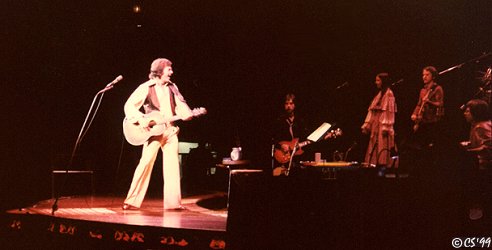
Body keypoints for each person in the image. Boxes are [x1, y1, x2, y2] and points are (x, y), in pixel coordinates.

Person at [122, 58, 194, 210]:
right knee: (146, 163)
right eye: (169, 69)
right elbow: (129, 106)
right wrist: (140, 119)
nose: (172, 72)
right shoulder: (146, 87)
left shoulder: (173, 87)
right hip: (153, 132)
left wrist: (187, 114)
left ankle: (173, 204)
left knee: (173, 167)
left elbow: (181, 106)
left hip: (170, 130)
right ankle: (131, 201)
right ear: (160, 71)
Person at [460, 99, 492, 220]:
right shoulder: (479, 125)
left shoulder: (481, 126)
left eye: (468, 111)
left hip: (484, 166)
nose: (465, 113)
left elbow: (488, 147)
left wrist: (469, 151)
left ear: (476, 113)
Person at [361, 73, 397, 168]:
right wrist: (367, 125)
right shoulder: (379, 95)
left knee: (383, 144)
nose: (376, 82)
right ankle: (374, 165)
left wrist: (386, 126)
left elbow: (389, 112)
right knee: (375, 144)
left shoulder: (389, 94)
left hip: (383, 124)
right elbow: (372, 111)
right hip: (376, 124)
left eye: (378, 80)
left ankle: (384, 165)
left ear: (383, 81)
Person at [271, 93, 309, 176]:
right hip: (282, 158)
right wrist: (280, 146)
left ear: (295, 105)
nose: (288, 106)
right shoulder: (279, 120)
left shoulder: (300, 121)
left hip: (297, 159)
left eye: (291, 103)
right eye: (286, 103)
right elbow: (272, 138)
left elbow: (305, 137)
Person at [411, 66, 444, 148]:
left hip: (432, 121)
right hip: (423, 120)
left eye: (427, 75)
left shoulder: (437, 88)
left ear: (433, 76)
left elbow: (440, 104)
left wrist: (429, 102)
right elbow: (419, 104)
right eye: (423, 75)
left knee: (431, 145)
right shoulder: (423, 90)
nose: (424, 77)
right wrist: (414, 114)